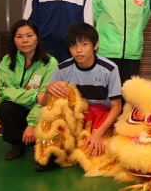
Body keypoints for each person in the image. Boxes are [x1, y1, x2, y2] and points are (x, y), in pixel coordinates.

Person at [36, 23, 122, 171]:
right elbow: (46, 105)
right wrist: (48, 90)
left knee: (95, 154)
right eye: (73, 45)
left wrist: (99, 133)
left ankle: (75, 147)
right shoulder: (62, 69)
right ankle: (53, 153)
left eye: (84, 44)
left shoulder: (109, 69)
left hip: (100, 118)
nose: (78, 50)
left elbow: (117, 106)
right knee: (58, 100)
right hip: (74, 118)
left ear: (95, 45)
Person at [0, 20, 57, 160]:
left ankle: (36, 140)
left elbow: (46, 98)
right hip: (20, 108)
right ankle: (17, 145)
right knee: (6, 106)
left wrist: (32, 124)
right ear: (13, 40)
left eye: (29, 35)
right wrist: (34, 96)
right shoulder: (6, 62)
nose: (25, 40)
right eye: (19, 36)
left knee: (50, 104)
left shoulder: (50, 63)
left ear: (37, 38)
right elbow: (5, 91)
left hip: (40, 111)